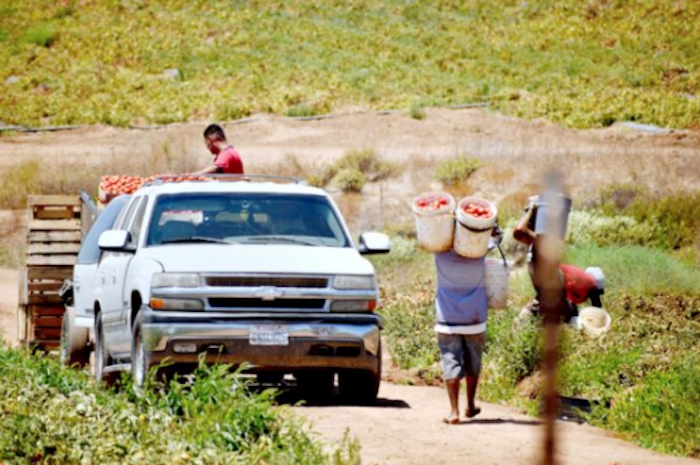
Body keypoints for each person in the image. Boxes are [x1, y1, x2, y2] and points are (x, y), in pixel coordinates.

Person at [433, 250, 489, 424]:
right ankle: (470, 404)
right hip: (475, 316)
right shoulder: (478, 249)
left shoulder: (440, 251)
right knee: (474, 361)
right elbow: (496, 236)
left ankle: (454, 411)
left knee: (450, 361)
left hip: (447, 317)